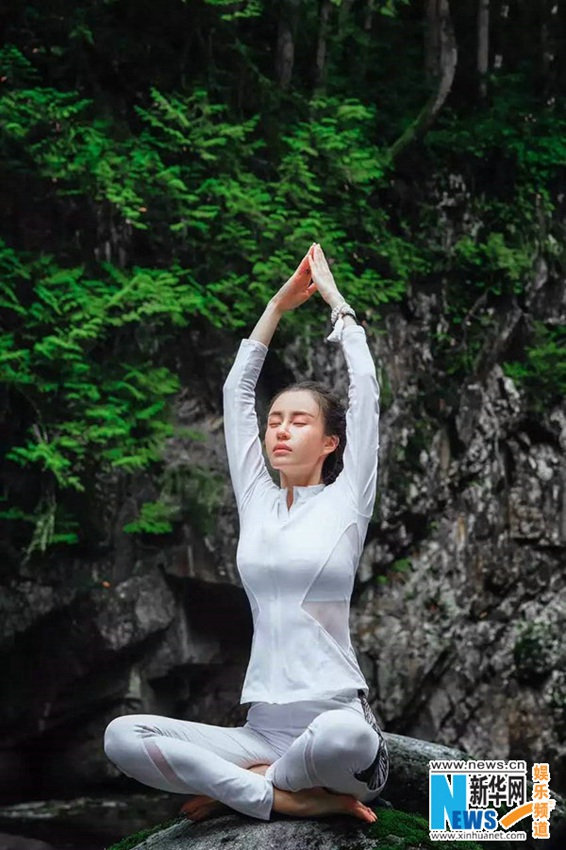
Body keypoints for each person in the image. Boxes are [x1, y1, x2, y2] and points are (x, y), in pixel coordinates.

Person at [103, 243, 389, 825]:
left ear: (331, 442)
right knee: (122, 735)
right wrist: (276, 307)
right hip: (261, 730)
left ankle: (246, 789)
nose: (280, 430)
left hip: (335, 725)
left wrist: (337, 304)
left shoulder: (347, 499)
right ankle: (277, 795)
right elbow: (237, 392)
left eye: (299, 421)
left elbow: (365, 390)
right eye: (274, 421)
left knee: (347, 739)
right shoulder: (257, 500)